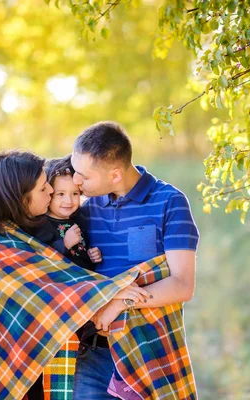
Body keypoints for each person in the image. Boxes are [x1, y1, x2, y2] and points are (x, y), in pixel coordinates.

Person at [0, 150, 150, 400]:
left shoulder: (35, 227)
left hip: (30, 358)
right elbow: (44, 291)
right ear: (22, 199)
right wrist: (109, 291)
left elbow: (59, 275)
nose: (51, 193)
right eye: (44, 189)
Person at [71, 121, 200, 399]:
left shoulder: (169, 201)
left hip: (147, 352)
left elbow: (182, 284)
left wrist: (118, 303)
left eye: (83, 176)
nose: (76, 182)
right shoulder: (86, 209)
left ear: (115, 174)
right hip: (93, 355)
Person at [27, 155, 150, 398]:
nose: (69, 201)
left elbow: (84, 257)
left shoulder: (81, 218)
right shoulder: (42, 226)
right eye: (60, 194)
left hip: (87, 300)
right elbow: (45, 263)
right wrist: (65, 244)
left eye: (75, 194)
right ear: (49, 194)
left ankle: (119, 375)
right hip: (64, 302)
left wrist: (90, 253)